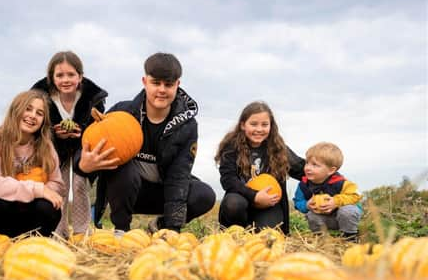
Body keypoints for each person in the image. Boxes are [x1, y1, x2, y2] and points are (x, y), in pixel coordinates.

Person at [79, 52, 216, 233]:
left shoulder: (187, 125)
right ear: (145, 82)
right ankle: (122, 231)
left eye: (168, 84)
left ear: (177, 85)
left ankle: (161, 226)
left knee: (204, 195)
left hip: (162, 192)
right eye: (156, 83)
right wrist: (82, 166)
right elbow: (92, 146)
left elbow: (178, 175)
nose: (162, 89)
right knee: (123, 168)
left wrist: (172, 228)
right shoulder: (122, 112)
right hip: (127, 191)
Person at [31, 51, 108, 238]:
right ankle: (59, 230)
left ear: (80, 76)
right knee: (60, 185)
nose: (66, 80)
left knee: (80, 183)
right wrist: (55, 134)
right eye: (60, 75)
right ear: (52, 78)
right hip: (56, 148)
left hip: (84, 147)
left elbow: (98, 126)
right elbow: (38, 128)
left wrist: (82, 131)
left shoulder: (93, 98)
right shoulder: (42, 98)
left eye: (71, 75)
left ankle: (81, 231)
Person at [0, 90, 65, 237]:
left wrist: (43, 192)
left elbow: (57, 184)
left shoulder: (46, 147)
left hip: (33, 212)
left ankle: (34, 246)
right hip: (6, 211)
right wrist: (36, 189)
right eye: (28, 109)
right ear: (16, 111)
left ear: (43, 121)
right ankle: (2, 246)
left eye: (39, 113)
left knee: (49, 207)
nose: (33, 115)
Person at [215, 101, 305, 234]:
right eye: (253, 124)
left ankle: (257, 229)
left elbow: (303, 170)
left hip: (269, 205)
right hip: (242, 200)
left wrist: (334, 180)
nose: (259, 129)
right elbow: (229, 181)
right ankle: (234, 234)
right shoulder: (231, 148)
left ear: (271, 126)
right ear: (243, 125)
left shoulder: (278, 149)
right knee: (233, 204)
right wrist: (254, 196)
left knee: (266, 237)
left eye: (264, 124)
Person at [293, 142, 362, 241]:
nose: (308, 168)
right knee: (311, 215)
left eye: (315, 165)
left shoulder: (340, 182)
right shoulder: (304, 185)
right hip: (325, 218)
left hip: (344, 217)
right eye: (307, 163)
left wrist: (336, 201)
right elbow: (298, 201)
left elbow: (356, 195)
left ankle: (349, 236)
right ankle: (321, 239)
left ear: (331, 170)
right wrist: (306, 205)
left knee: (347, 211)